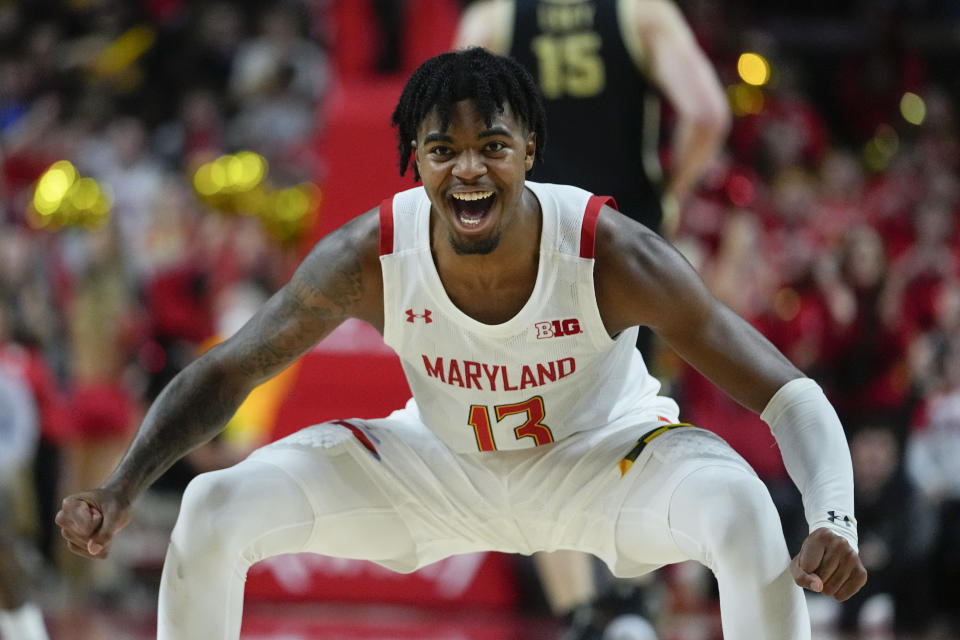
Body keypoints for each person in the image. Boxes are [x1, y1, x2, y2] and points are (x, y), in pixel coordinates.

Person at [56, 48, 865, 640]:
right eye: (444, 151)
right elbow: (231, 369)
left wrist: (834, 516)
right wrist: (126, 485)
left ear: (529, 153)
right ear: (416, 159)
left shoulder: (608, 249)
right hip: (437, 469)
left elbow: (788, 393)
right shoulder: (368, 254)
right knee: (212, 505)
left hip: (602, 463)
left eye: (493, 148)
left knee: (740, 509)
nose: (469, 171)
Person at [454, 2, 730, 633]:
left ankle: (579, 611)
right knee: (631, 423)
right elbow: (709, 114)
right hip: (623, 241)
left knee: (531, 435)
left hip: (530, 246)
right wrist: (670, 191)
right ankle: (632, 599)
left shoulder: (491, 23)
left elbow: (454, 142)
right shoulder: (641, 11)